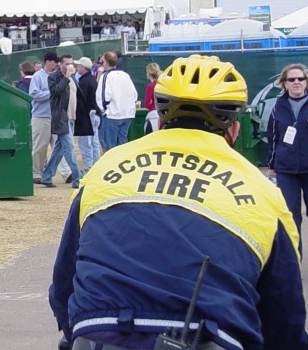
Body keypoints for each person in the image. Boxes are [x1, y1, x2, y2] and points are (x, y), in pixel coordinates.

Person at [50, 55, 308, 349]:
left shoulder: (106, 168)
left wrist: (72, 332)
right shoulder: (263, 193)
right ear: (234, 131)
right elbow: (284, 310)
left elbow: (64, 279)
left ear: (159, 122)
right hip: (209, 336)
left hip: (99, 333)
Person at [267, 62, 308, 252]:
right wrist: (272, 165)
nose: (297, 82)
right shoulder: (277, 106)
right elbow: (273, 137)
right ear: (284, 83)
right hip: (286, 170)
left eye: (301, 78)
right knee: (290, 216)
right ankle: (294, 259)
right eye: (292, 79)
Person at [40, 54, 81, 189]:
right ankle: (78, 178)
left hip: (72, 117)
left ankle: (46, 176)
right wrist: (66, 77)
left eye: (71, 63)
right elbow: (56, 91)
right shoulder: (54, 77)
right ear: (60, 64)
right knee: (69, 148)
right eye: (66, 63)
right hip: (61, 118)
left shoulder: (73, 77)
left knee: (60, 149)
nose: (69, 66)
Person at [95, 50, 137, 151]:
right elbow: (134, 95)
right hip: (126, 114)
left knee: (110, 147)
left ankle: (111, 166)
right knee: (122, 145)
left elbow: (103, 96)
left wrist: (104, 110)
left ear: (106, 62)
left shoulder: (106, 76)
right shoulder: (125, 75)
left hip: (112, 115)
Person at [29, 52, 59, 184]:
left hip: (55, 116)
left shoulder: (56, 75)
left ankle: (67, 173)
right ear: (48, 62)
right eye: (54, 62)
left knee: (61, 146)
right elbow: (34, 95)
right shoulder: (37, 76)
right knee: (40, 147)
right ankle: (36, 173)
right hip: (40, 116)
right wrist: (52, 93)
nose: (56, 64)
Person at [73, 57, 100, 173]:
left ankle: (89, 168)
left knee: (86, 144)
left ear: (83, 68)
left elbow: (81, 101)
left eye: (79, 66)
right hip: (95, 114)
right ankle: (96, 167)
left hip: (87, 116)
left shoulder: (84, 82)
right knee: (94, 143)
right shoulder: (93, 79)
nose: (77, 67)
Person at [143, 62, 161, 134]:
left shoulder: (151, 86)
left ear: (148, 73)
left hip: (153, 114)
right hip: (162, 114)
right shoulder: (162, 84)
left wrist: (151, 104)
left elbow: (147, 104)